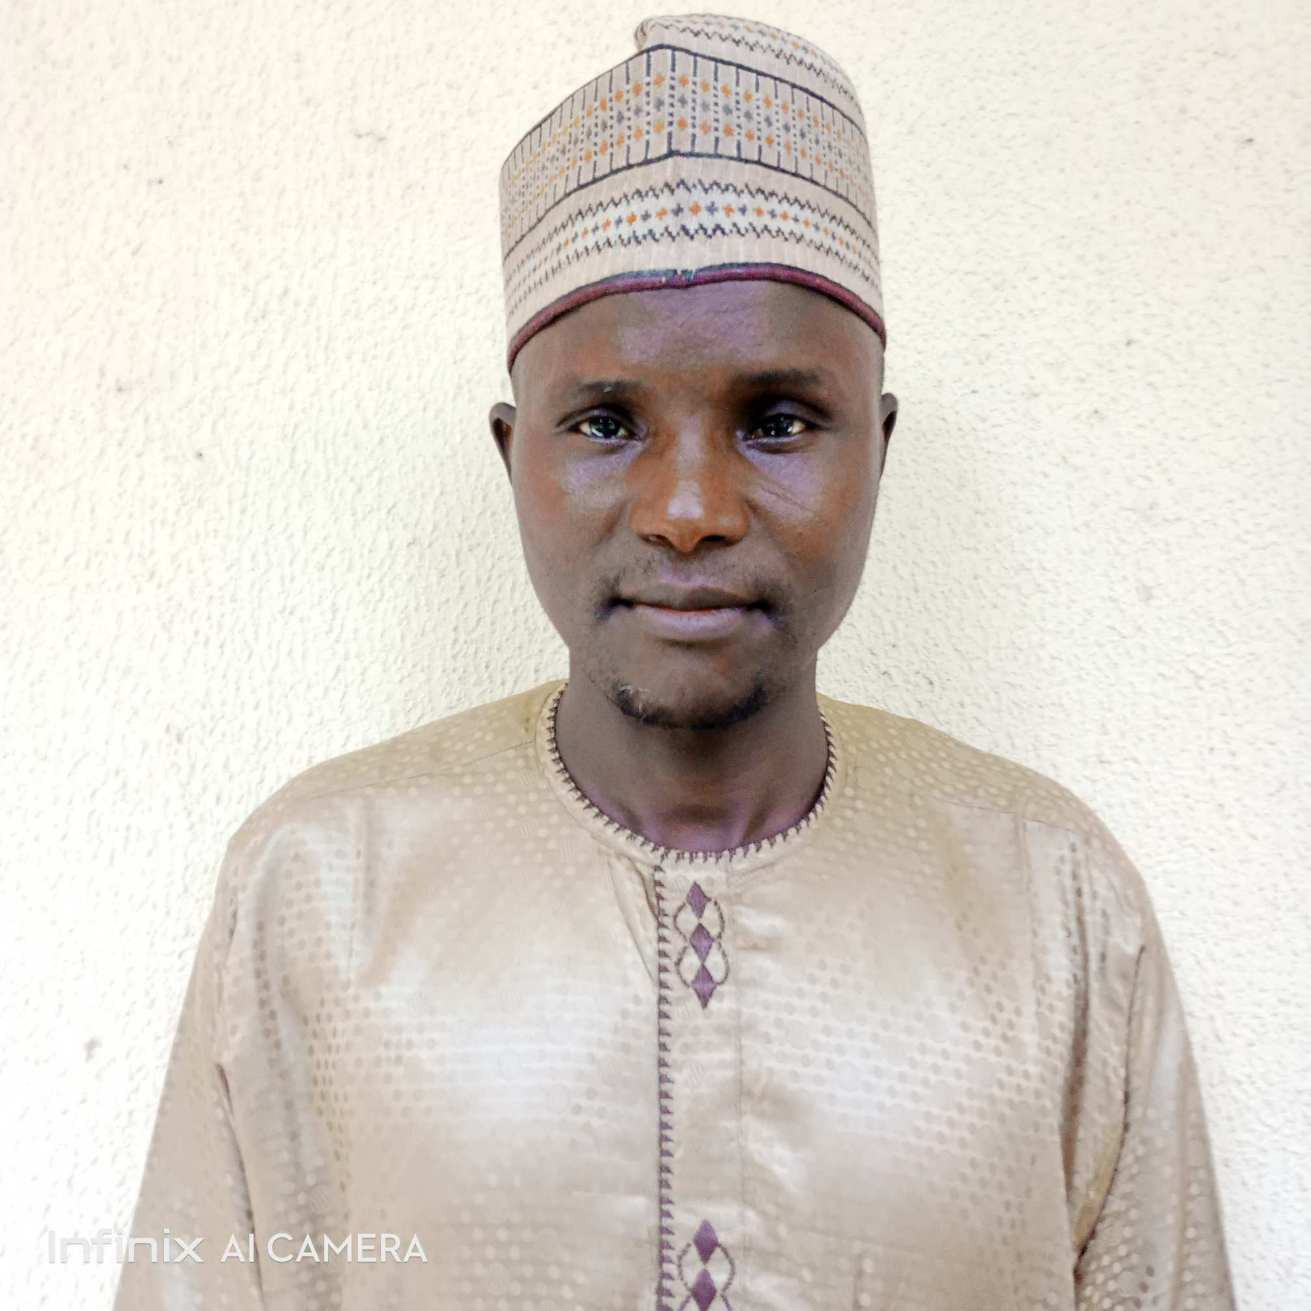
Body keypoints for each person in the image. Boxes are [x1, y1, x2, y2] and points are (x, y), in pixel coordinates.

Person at [115, 12, 1237, 1309]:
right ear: (514, 458)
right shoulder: (317, 886)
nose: (689, 510)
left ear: (877, 451)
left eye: (778, 421)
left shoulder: (1055, 905)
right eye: (606, 424)